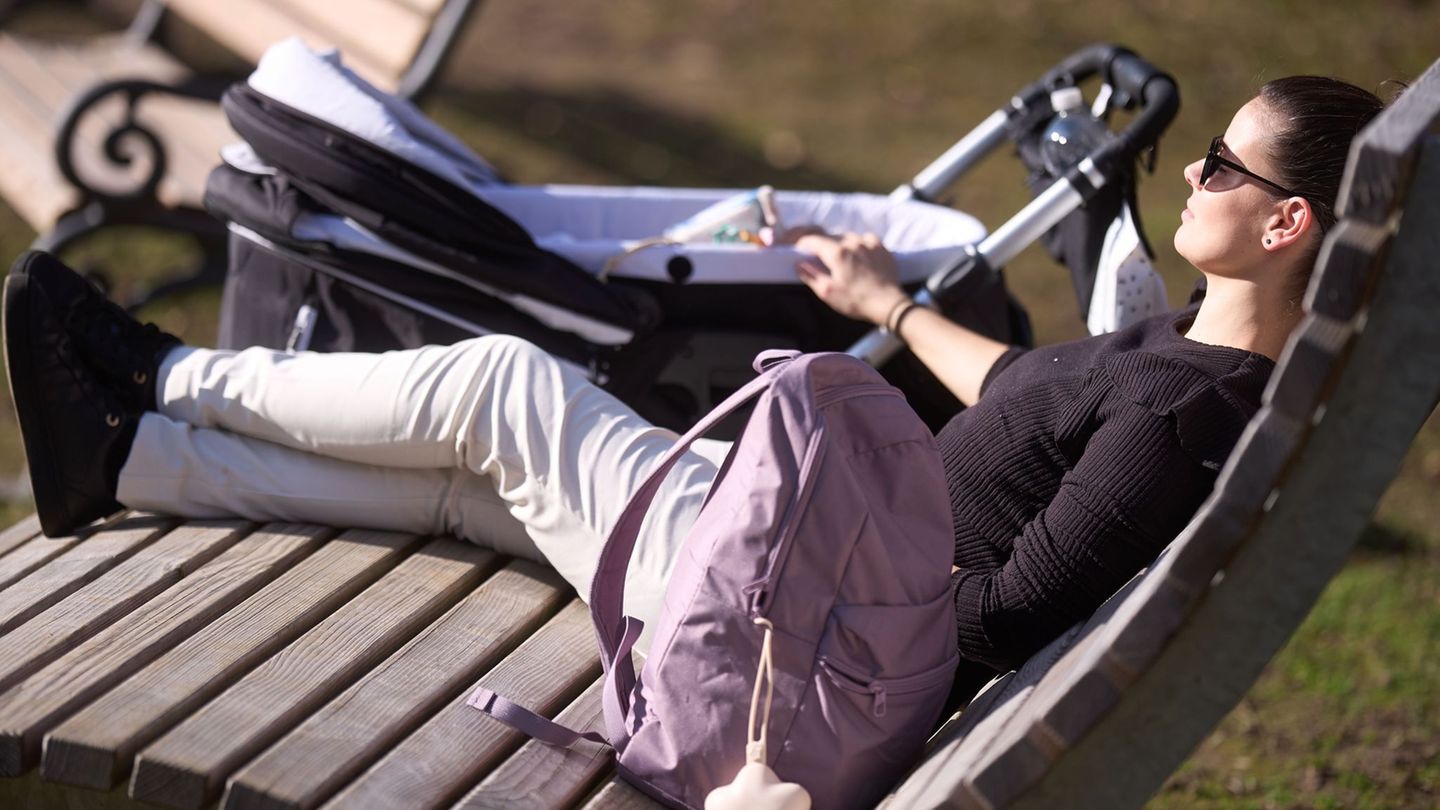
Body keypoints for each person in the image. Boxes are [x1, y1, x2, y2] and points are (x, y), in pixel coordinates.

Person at [2, 76, 1384, 690]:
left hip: (791, 606)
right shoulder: (1183, 360)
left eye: (1225, 164)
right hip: (794, 538)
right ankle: (131, 461)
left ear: (1286, 225)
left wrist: (806, 569)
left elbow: (1002, 618)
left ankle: (159, 363)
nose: (1193, 172)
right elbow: (1023, 392)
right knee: (466, 489)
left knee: (503, 392)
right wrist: (888, 302)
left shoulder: (1182, 416)